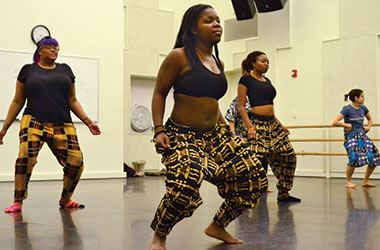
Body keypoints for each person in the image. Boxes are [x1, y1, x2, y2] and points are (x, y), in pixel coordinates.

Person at [150, 5, 268, 250]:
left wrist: (229, 131)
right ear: (193, 28)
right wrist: (159, 129)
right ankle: (160, 236)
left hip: (217, 134)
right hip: (182, 134)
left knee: (253, 174)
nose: (217, 24)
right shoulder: (179, 57)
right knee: (186, 181)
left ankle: (218, 225)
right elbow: (160, 93)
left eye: (218, 20)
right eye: (208, 21)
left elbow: (212, 102)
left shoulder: (218, 62)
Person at [0, 36, 101, 213]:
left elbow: (72, 100)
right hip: (33, 121)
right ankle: (18, 201)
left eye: (56, 47)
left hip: (63, 123)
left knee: (76, 161)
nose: (54, 50)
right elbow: (17, 101)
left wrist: (88, 121)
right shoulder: (28, 70)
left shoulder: (65, 70)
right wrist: (5, 128)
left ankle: (65, 199)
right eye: (49, 47)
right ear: (40, 51)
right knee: (26, 157)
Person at [237, 51, 300, 203]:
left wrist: (280, 124)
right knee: (254, 161)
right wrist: (250, 127)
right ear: (253, 63)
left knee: (289, 155)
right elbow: (240, 106)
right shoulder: (245, 80)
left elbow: (270, 107)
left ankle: (284, 192)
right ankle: (247, 193)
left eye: (268, 62)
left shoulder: (268, 81)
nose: (266, 64)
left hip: (272, 124)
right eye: (263, 61)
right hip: (256, 125)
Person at [332, 89, 380, 188]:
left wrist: (369, 127)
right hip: (351, 137)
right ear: (356, 98)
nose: (364, 98)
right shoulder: (347, 109)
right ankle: (348, 181)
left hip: (362, 135)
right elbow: (335, 122)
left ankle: (365, 181)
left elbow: (370, 119)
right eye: (362, 96)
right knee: (353, 158)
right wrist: (347, 125)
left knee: (373, 157)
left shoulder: (363, 108)